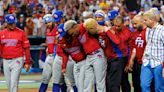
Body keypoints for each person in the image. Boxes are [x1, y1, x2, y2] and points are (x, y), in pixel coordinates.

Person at [64, 20, 107, 92]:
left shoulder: (84, 26)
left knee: (100, 81)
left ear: (74, 27)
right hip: (89, 57)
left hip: (97, 54)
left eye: (72, 32)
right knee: (87, 82)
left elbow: (97, 25)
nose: (73, 35)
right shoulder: (76, 35)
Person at [0, 14, 31, 92]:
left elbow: (26, 48)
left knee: (14, 83)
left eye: (13, 23)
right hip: (5, 60)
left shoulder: (21, 33)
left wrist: (27, 62)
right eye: (10, 23)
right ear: (6, 23)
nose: (12, 25)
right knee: (8, 83)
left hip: (17, 59)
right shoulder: (1, 33)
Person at [55, 23, 86, 92]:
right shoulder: (63, 41)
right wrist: (63, 67)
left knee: (83, 84)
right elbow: (65, 55)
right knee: (77, 84)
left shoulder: (77, 36)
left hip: (85, 62)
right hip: (75, 63)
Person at [141, 10, 164, 92]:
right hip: (147, 62)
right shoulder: (147, 29)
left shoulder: (162, 30)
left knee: (159, 88)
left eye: (145, 20)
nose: (143, 22)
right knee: (144, 85)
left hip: (159, 63)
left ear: (152, 20)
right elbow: (148, 44)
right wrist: (144, 57)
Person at [39, 14, 58, 92]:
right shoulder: (47, 30)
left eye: (49, 22)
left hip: (56, 57)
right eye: (46, 23)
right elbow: (49, 42)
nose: (48, 24)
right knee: (44, 78)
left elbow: (57, 44)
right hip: (49, 56)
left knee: (56, 80)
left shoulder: (57, 29)